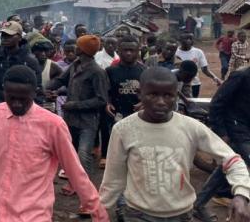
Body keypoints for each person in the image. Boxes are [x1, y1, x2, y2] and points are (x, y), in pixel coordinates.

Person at [99, 67, 250, 221]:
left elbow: (233, 161)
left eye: (168, 95)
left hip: (182, 214)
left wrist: (241, 194)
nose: (160, 102)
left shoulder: (191, 127)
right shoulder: (123, 129)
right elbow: (114, 178)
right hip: (138, 215)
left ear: (176, 96)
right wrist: (101, 210)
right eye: (153, 94)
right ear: (140, 94)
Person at [0, 65, 107, 221]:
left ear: (35, 93)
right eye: (11, 98)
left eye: (23, 99)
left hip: (33, 215)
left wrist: (96, 209)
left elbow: (74, 170)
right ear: (4, 91)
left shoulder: (52, 124)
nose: (16, 104)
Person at [45, 35, 109, 186]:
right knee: (71, 154)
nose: (75, 48)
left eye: (78, 46)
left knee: (84, 154)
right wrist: (46, 89)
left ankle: (87, 192)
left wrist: (74, 105)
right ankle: (75, 184)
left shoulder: (97, 72)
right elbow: (61, 80)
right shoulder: (75, 64)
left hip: (88, 121)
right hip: (71, 118)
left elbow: (101, 100)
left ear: (84, 50)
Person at [194, 68, 250, 220]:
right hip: (235, 127)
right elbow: (217, 103)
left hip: (246, 128)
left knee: (226, 167)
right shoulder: (241, 76)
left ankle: (198, 204)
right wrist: (221, 132)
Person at [104, 35, 145, 172]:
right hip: (117, 113)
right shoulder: (110, 71)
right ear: (119, 51)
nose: (128, 53)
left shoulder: (144, 71)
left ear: (137, 51)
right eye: (125, 50)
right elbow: (106, 90)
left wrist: (143, 103)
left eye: (132, 50)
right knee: (117, 144)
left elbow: (150, 91)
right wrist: (107, 103)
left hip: (138, 114)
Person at [0, 21, 42, 108]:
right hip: (0, 106)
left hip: (22, 107)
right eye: (3, 35)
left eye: (9, 36)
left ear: (19, 37)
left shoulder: (29, 60)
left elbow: (37, 89)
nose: (4, 38)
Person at [175, 33, 222, 97]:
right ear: (180, 40)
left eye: (191, 39)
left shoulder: (198, 52)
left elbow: (205, 69)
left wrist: (216, 79)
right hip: (178, 84)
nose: (189, 41)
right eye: (186, 39)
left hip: (194, 84)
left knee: (192, 103)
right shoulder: (175, 52)